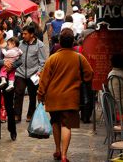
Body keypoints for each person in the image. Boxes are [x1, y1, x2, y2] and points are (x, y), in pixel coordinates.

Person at [38, 28, 93, 162]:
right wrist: (78, 78)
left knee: (55, 123)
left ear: (60, 42)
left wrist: (40, 95)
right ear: (73, 42)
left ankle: (57, 150)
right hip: (70, 98)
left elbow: (44, 79)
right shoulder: (79, 58)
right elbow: (89, 74)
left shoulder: (53, 58)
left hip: (53, 97)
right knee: (66, 125)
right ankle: (64, 156)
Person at [0, 24, 23, 145]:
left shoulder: (10, 44)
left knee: (9, 105)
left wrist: (12, 65)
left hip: (9, 78)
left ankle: (12, 130)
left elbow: (20, 60)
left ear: (2, 32)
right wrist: (3, 62)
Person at [14, 25, 46, 123]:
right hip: (20, 73)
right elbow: (16, 57)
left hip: (33, 74)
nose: (23, 36)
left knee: (33, 96)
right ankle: (17, 115)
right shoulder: (19, 44)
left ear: (32, 34)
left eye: (25, 34)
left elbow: (42, 61)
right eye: (22, 33)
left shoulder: (40, 45)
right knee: (18, 93)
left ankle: (30, 114)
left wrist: (39, 71)